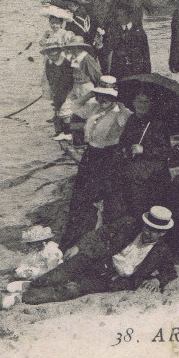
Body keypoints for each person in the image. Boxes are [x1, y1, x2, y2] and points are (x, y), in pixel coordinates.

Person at [8, 206, 177, 307]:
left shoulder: (162, 251)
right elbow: (100, 234)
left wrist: (157, 280)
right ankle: (30, 285)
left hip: (112, 279)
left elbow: (170, 271)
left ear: (162, 234)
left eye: (154, 232)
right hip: (98, 260)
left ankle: (22, 297)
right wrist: (79, 246)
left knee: (73, 288)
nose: (148, 233)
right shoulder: (129, 226)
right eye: (147, 228)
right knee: (61, 273)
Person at [57, 77, 131, 252]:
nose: (102, 100)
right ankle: (75, 237)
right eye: (99, 96)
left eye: (107, 97)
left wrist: (119, 101)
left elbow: (124, 120)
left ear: (115, 98)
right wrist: (91, 93)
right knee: (80, 198)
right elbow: (72, 107)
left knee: (102, 198)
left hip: (109, 157)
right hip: (90, 155)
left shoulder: (121, 113)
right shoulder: (94, 107)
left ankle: (96, 239)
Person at [106, 90, 173, 223]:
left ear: (151, 103)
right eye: (139, 101)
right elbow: (123, 143)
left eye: (146, 101)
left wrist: (144, 150)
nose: (142, 105)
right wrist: (124, 150)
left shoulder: (158, 123)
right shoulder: (132, 119)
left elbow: (166, 151)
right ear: (133, 103)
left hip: (151, 174)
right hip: (132, 170)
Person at [55, 35, 105, 141]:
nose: (73, 49)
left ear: (81, 47)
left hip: (86, 86)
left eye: (76, 47)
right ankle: (68, 133)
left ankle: (92, 135)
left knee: (91, 112)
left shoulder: (87, 58)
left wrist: (97, 90)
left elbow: (97, 75)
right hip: (76, 86)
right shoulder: (74, 58)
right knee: (65, 109)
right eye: (72, 47)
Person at [40, 32, 79, 137]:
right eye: (50, 53)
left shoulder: (65, 63)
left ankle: (68, 133)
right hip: (56, 89)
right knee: (58, 108)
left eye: (55, 53)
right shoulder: (49, 63)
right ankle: (60, 131)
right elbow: (49, 77)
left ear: (59, 52)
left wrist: (62, 93)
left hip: (67, 90)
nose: (53, 56)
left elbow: (68, 80)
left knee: (65, 110)